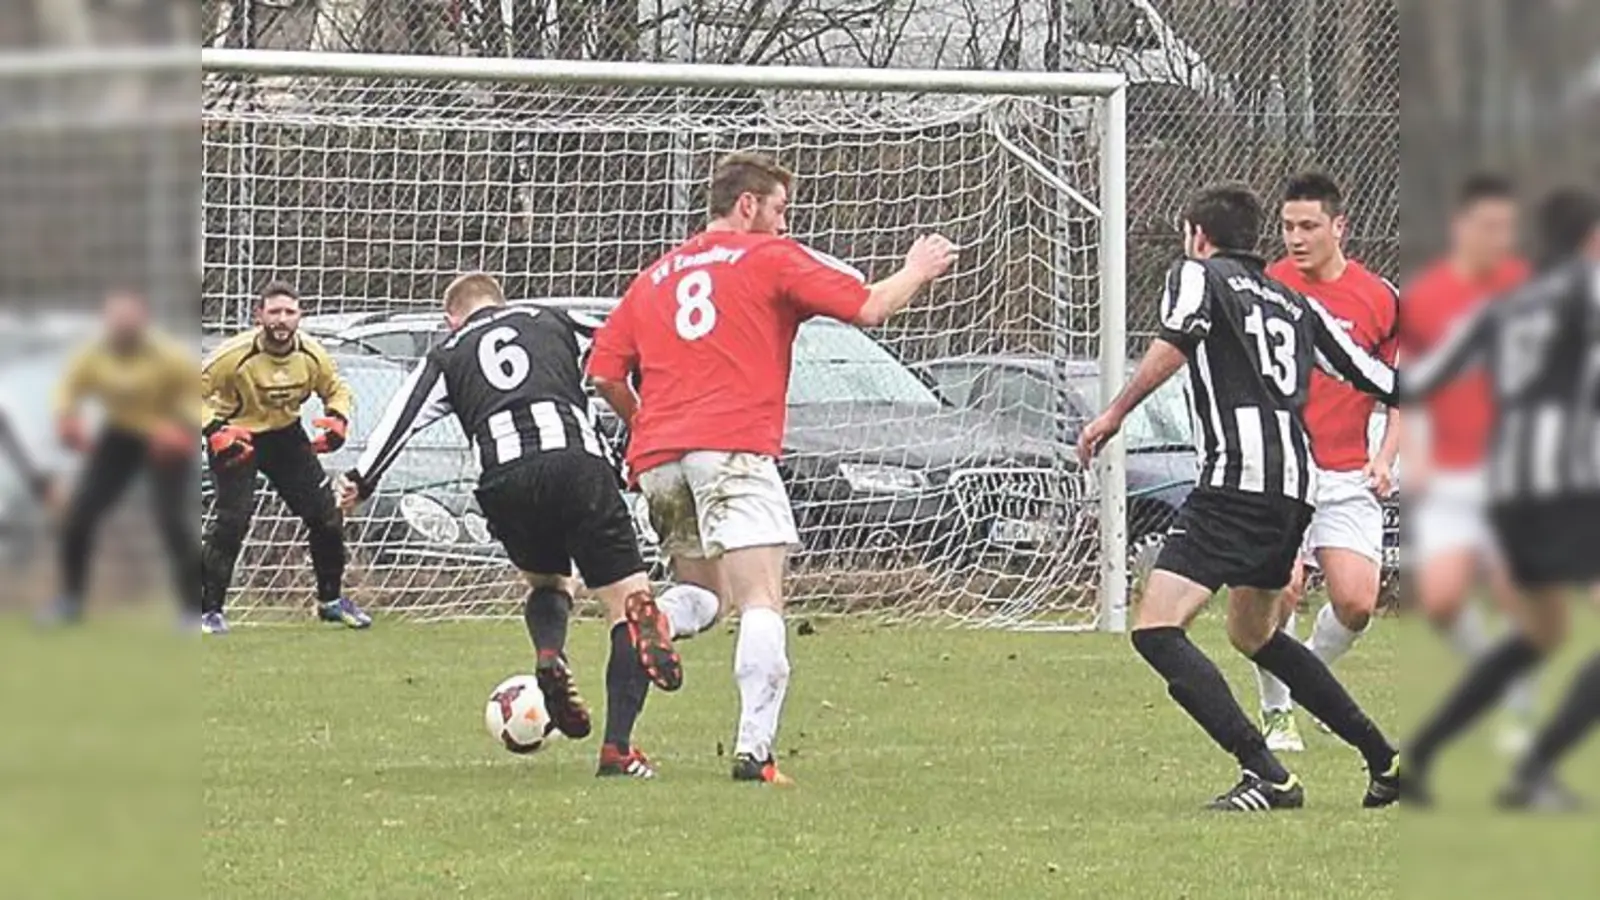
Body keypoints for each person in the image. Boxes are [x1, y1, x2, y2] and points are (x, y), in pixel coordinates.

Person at [588, 150, 957, 785]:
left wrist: (645, 419)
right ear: (748, 204)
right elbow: (870, 308)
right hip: (731, 448)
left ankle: (663, 619)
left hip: (659, 460)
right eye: (781, 210)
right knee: (762, 598)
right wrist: (916, 271)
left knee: (705, 592)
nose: (786, 224)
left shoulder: (655, 276)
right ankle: (754, 753)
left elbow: (602, 374)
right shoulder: (770, 258)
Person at [1078, 182, 1400, 812]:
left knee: (1156, 629)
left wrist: (1115, 412)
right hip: (1296, 487)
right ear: (1260, 238)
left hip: (1235, 483)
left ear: (1198, 235)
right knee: (1256, 634)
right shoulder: (1292, 301)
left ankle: (1267, 774)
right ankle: (1383, 758)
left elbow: (1176, 340)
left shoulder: (1198, 276)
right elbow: (1379, 377)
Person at [337, 272, 682, 779]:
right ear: (501, 301)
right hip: (577, 463)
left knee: (549, 582)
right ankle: (618, 750)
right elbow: (624, 342)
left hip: (506, 479)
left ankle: (549, 652)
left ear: (451, 318)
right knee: (628, 604)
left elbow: (402, 415)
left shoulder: (449, 350)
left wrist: (361, 480)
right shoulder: (553, 319)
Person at [1401, 186, 1600, 810]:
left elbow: (1424, 378)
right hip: (1568, 491)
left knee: (1541, 633)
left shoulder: (1508, 305)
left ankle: (1424, 753)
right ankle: (1534, 770)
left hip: (1509, 494)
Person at [1247, 173, 1401, 752]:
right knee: (1279, 590)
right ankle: (1276, 711)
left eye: (1308, 226)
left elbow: (1400, 391)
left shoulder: (1380, 299)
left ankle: (1308, 675)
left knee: (1357, 603)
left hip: (1346, 472)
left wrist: (1386, 457)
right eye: (1287, 227)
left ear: (1340, 227)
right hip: (1282, 469)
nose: (1295, 237)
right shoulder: (1266, 288)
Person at [1397, 173, 1538, 754]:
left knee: (1513, 590)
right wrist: (1419, 453)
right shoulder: (1428, 296)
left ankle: (1520, 714)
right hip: (1448, 475)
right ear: (1461, 229)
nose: (1498, 237)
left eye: (1507, 227)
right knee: (1443, 600)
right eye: (1488, 226)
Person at [199, 281, 370, 634]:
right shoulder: (232, 355)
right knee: (233, 521)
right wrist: (213, 428)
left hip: (286, 436)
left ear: (300, 316)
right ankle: (207, 610)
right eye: (274, 312)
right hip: (239, 436)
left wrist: (337, 417)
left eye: (289, 312)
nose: (281, 319)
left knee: (326, 516)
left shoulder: (312, 354)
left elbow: (336, 387)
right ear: (258, 315)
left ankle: (330, 602)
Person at [44, 288, 200, 625]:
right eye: (116, 319)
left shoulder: (168, 356)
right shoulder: (94, 354)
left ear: (143, 320)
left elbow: (193, 400)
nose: (123, 325)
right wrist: (66, 417)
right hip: (120, 437)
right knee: (80, 514)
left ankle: (191, 608)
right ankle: (70, 601)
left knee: (172, 521)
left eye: (129, 318)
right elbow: (68, 388)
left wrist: (180, 430)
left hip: (166, 437)